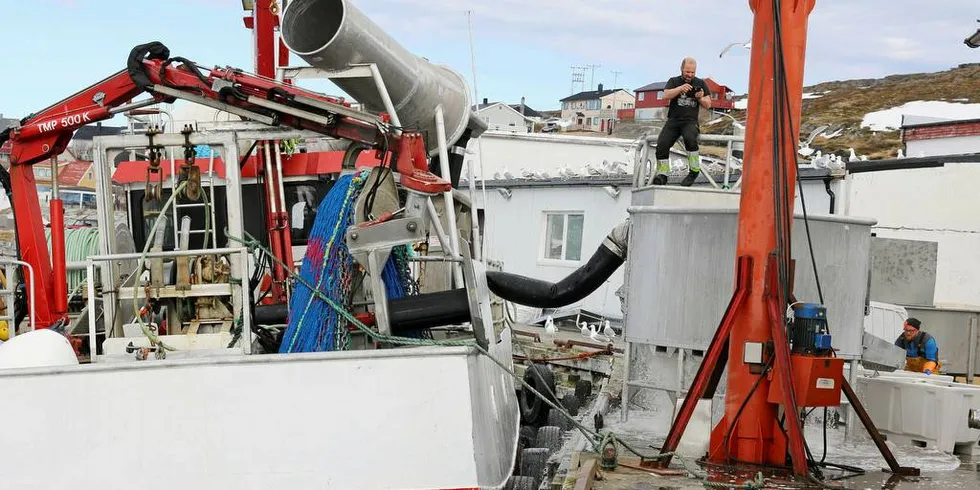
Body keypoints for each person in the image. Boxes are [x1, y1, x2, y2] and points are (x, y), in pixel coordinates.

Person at [653, 57, 712, 187]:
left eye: (692, 72)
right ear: (681, 69)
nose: (690, 75)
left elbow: (708, 104)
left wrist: (700, 98)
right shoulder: (674, 81)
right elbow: (666, 95)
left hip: (690, 121)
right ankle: (662, 174)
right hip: (673, 120)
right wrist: (680, 89)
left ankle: (694, 171)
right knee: (662, 144)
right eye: (687, 72)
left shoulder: (700, 83)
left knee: (690, 139)